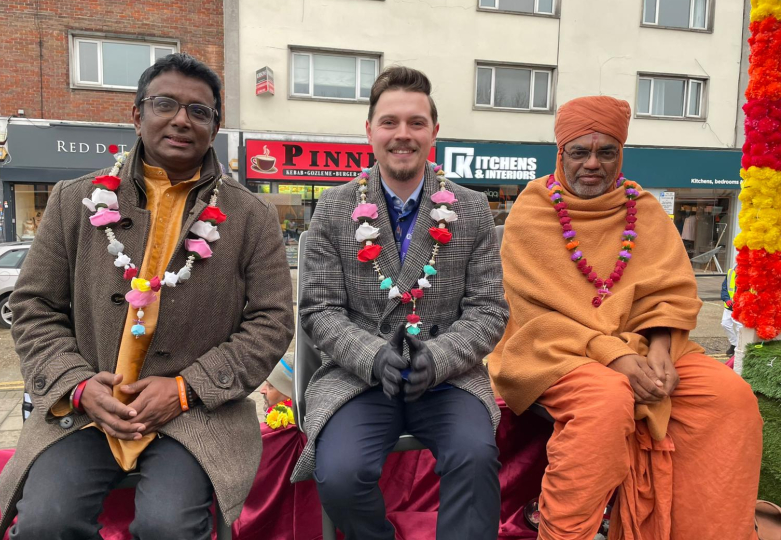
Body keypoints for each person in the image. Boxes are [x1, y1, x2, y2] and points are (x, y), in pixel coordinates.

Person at [0, 53, 294, 540]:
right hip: (87, 410)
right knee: (47, 522)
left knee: (168, 527)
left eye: (200, 111)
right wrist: (77, 385)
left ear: (214, 127)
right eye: (165, 104)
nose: (182, 119)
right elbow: (34, 308)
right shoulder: (75, 200)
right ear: (137, 115)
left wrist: (185, 389)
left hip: (197, 414)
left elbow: (272, 321)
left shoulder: (251, 216)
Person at [489, 95, 763, 540]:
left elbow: (669, 294)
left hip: (646, 343)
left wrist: (661, 351)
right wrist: (614, 356)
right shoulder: (533, 209)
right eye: (580, 151)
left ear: (622, 154)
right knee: (605, 401)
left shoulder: (645, 209)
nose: (592, 163)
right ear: (561, 154)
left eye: (606, 152)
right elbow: (533, 311)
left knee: (729, 397)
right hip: (551, 349)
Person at [291, 66, 508, 540]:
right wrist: (373, 357)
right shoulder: (334, 206)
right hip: (359, 378)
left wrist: (440, 356)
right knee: (342, 475)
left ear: (434, 130)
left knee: (475, 457)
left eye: (415, 122)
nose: (402, 135)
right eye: (389, 122)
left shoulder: (470, 208)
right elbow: (318, 312)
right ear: (370, 131)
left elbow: (489, 309)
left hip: (449, 378)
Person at [720, 265, 741, 357]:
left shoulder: (748, 273)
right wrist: (726, 299)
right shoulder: (730, 272)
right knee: (725, 324)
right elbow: (724, 288)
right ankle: (735, 344)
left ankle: (739, 348)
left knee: (740, 328)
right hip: (729, 306)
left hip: (740, 307)